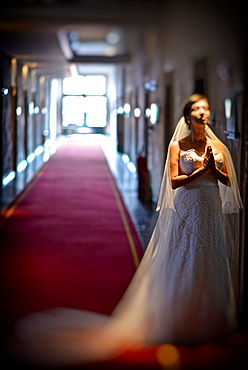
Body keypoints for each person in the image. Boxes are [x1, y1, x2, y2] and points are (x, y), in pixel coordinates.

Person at [5, 94, 243, 367]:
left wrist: (215, 168)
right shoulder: (178, 145)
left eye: (206, 109)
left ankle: (212, 317)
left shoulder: (217, 146)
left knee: (210, 254)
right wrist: (201, 171)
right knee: (185, 253)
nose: (203, 113)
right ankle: (179, 317)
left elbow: (226, 180)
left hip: (209, 206)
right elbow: (175, 182)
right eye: (198, 109)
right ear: (188, 114)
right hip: (188, 206)